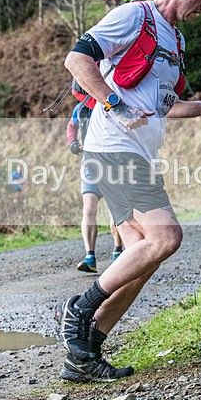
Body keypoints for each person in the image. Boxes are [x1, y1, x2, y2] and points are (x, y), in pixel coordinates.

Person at [58, 0, 201, 382]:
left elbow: (161, 105)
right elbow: (77, 60)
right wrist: (113, 103)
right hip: (114, 149)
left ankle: (85, 351)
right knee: (167, 236)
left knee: (141, 257)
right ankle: (78, 312)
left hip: (139, 154)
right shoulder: (136, 15)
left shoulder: (176, 42)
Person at [68, 100, 124, 273]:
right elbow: (72, 125)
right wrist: (72, 142)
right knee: (88, 209)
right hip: (90, 163)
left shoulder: (114, 100)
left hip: (112, 163)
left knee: (114, 211)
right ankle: (89, 256)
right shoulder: (81, 106)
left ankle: (118, 251)